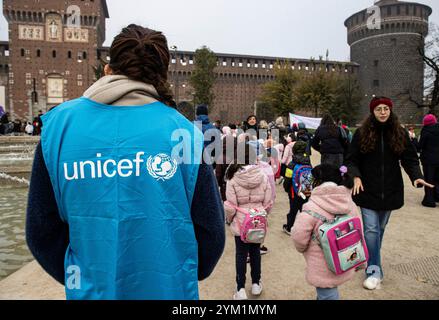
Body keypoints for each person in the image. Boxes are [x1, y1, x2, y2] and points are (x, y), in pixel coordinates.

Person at [26, 24, 225, 300]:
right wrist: (179, 270)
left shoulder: (58, 128)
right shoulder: (185, 135)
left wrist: (85, 276)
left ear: (109, 69)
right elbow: (211, 235)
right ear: (161, 76)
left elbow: (41, 232)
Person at [345, 96, 433, 291]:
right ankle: (374, 270)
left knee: (379, 229)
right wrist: (356, 177)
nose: (383, 112)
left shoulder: (399, 132)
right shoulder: (362, 133)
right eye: (379, 109)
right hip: (367, 191)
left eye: (386, 108)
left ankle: (371, 257)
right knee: (371, 230)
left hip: (391, 190)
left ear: (390, 111)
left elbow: (409, 159)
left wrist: (416, 176)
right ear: (373, 112)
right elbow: (350, 160)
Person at [291, 164, 360, 300]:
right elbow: (358, 230)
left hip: (321, 265)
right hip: (345, 257)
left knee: (327, 295)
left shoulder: (311, 207)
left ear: (316, 182)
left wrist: (303, 249)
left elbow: (299, 237)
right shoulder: (348, 202)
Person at [224, 142, 273, 300]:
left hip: (241, 222)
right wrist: (262, 214)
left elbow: (230, 206)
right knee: (255, 253)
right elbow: (268, 201)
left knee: (240, 255)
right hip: (257, 220)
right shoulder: (263, 175)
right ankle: (256, 284)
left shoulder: (232, 178)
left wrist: (230, 220)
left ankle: (240, 289)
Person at [417, 114, 439, 207]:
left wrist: (414, 142)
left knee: (429, 180)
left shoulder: (425, 131)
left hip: (429, 160)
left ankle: (433, 199)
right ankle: (437, 197)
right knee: (436, 180)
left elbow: (420, 146)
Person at [282, 140, 311, 235]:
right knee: (305, 210)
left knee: (293, 211)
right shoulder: (308, 163)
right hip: (305, 190)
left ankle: (289, 227)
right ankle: (305, 229)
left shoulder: (291, 164)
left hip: (293, 192)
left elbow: (287, 179)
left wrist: (287, 189)